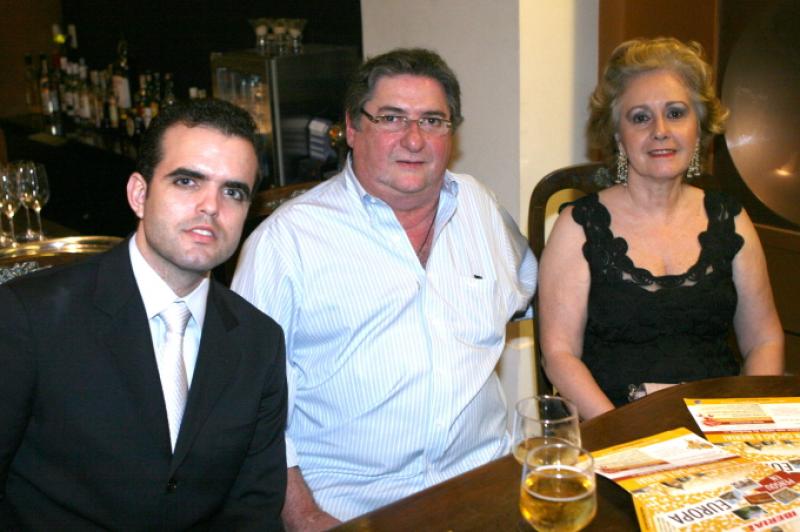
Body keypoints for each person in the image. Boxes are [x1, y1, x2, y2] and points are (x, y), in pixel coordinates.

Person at [232, 48, 536, 526]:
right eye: (392, 118)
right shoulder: (284, 244)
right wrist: (304, 516)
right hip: (356, 509)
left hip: (487, 484)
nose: (414, 139)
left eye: (432, 120)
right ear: (353, 128)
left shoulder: (480, 207)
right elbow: (246, 406)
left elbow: (542, 297)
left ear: (451, 134)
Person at [0, 99, 287, 529]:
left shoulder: (258, 340)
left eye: (233, 191)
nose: (211, 206)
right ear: (139, 194)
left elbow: (254, 508)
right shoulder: (29, 316)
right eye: (187, 181)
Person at [538, 37, 784, 420]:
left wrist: (750, 421)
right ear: (618, 136)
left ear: (698, 128)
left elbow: (764, 340)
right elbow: (559, 354)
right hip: (613, 424)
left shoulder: (730, 220)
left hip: (721, 425)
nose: (660, 130)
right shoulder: (578, 227)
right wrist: (620, 432)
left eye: (675, 113)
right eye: (640, 117)